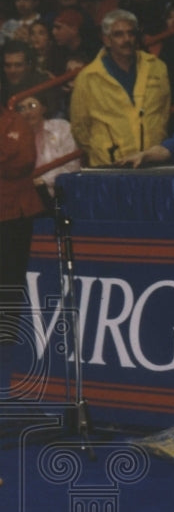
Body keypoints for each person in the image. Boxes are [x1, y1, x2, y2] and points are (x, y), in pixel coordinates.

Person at [69, 9, 171, 166]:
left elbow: (163, 112)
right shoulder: (88, 78)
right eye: (119, 34)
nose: (127, 39)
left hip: (151, 162)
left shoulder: (157, 67)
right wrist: (102, 150)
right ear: (106, 40)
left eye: (131, 33)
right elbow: (80, 128)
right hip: (111, 166)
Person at [0, 77, 45, 353]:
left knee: (11, 278)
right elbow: (12, 160)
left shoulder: (15, 121)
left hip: (15, 214)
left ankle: (6, 339)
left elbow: (25, 161)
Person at [15, 92, 81, 198]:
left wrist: (43, 180)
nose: (27, 112)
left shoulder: (61, 127)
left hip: (63, 191)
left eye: (32, 106)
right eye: (21, 108)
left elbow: (73, 167)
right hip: (31, 196)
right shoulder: (15, 138)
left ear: (43, 108)